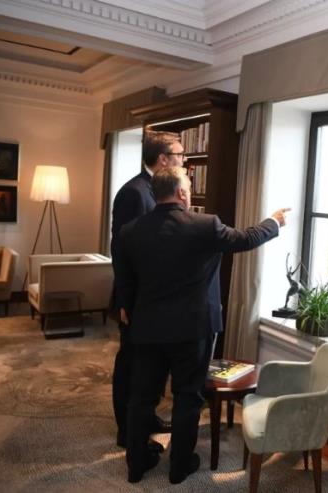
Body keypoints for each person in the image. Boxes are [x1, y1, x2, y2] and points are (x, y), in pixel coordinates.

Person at [114, 166, 288, 483]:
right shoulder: (205, 225)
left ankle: (136, 465)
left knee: (142, 398)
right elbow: (247, 239)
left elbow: (124, 277)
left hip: (148, 328)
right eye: (189, 187)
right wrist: (273, 222)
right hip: (192, 329)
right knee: (187, 396)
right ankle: (180, 466)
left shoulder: (131, 231)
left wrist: (126, 305)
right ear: (182, 193)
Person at [110, 131, 186, 452]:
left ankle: (146, 419)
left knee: (151, 367)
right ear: (163, 159)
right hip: (136, 298)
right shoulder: (134, 192)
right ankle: (126, 431)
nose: (184, 160)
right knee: (131, 364)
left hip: (155, 298)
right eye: (179, 154)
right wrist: (124, 299)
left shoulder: (157, 189)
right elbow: (121, 250)